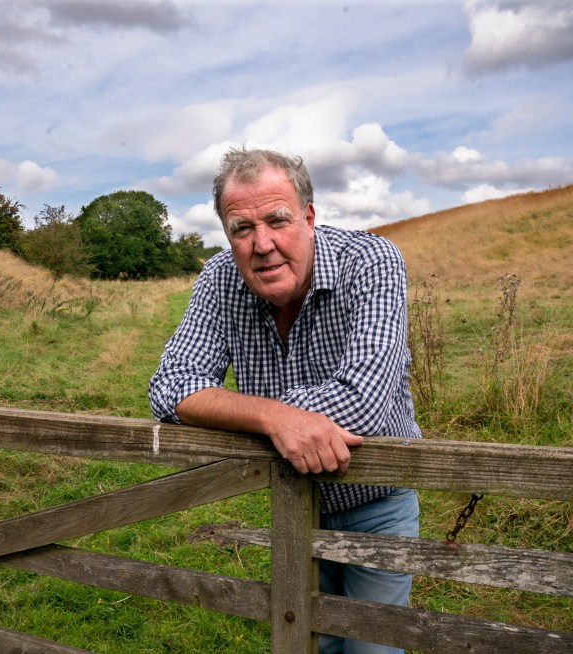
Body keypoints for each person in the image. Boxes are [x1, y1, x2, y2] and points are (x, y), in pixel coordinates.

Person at [149, 147, 420, 654]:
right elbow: (169, 386)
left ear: (309, 217)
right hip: (291, 502)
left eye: (277, 220)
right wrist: (272, 416)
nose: (262, 244)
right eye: (241, 229)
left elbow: (364, 404)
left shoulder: (372, 262)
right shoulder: (219, 280)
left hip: (376, 502)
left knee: (372, 650)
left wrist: (236, 409)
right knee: (306, 644)